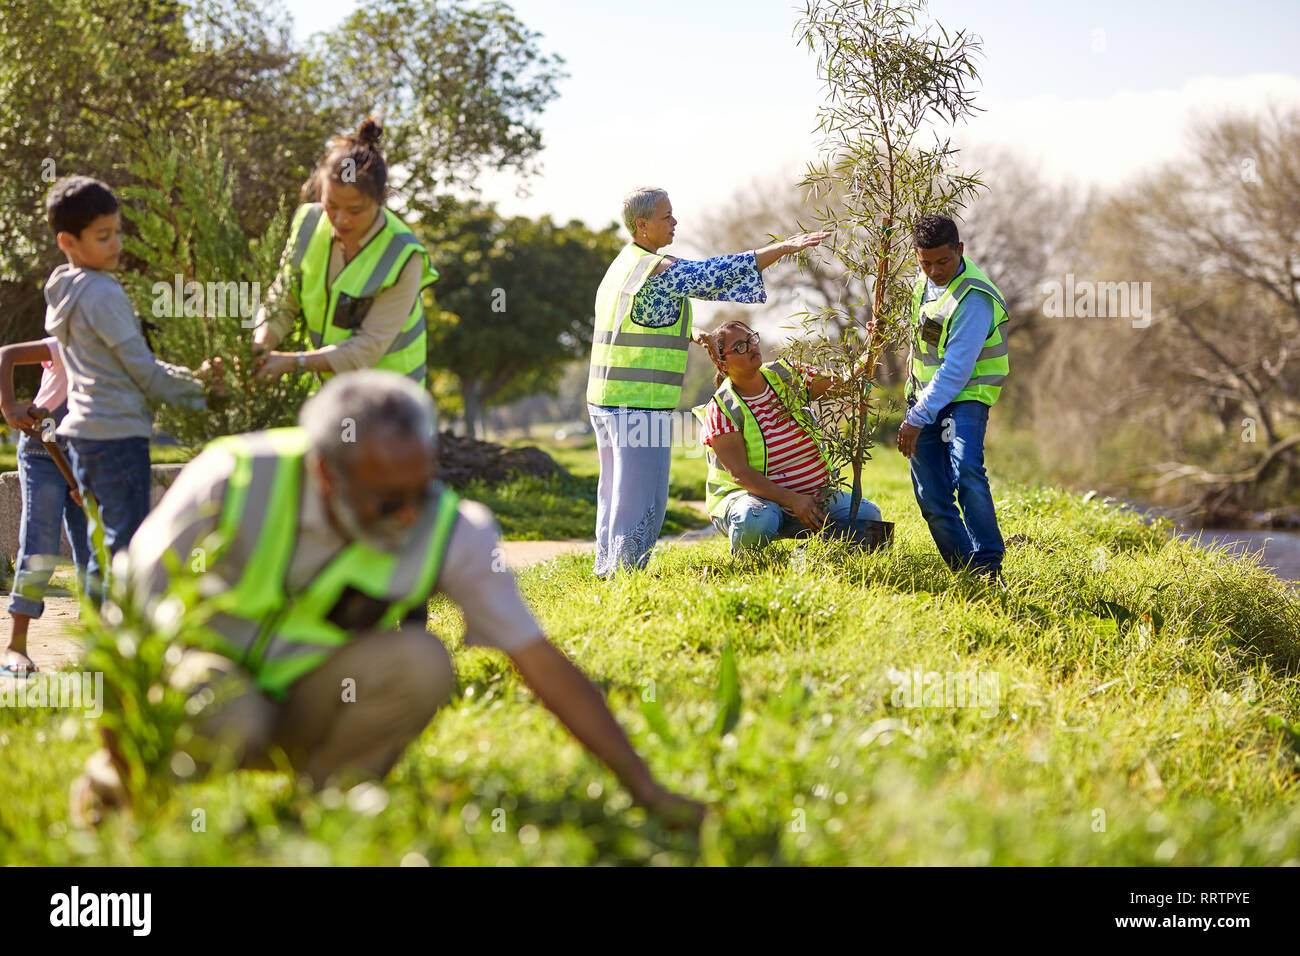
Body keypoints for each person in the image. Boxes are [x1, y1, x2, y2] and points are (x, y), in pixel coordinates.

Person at [70, 371, 704, 828]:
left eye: (419, 490)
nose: (408, 516)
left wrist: (644, 786)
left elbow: (539, 661)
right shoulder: (233, 476)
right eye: (384, 499)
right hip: (210, 689)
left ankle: (321, 815)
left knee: (420, 661)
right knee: (226, 712)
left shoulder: (452, 526)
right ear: (325, 472)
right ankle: (123, 793)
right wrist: (118, 749)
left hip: (312, 700)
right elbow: (125, 619)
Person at [586, 185, 828, 575]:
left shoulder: (624, 265)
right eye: (666, 216)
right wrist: (781, 249)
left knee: (614, 492)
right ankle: (625, 575)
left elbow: (642, 318)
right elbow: (712, 275)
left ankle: (607, 568)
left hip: (605, 398)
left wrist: (694, 333)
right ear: (642, 225)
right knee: (642, 497)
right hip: (638, 404)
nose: (675, 221)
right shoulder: (659, 269)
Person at [42, 176, 209, 605]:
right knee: (131, 548)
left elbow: (129, 364)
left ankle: (101, 646)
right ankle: (126, 649)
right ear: (68, 241)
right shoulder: (103, 293)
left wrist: (191, 374)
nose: (116, 244)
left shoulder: (67, 290)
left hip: (83, 436)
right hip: (117, 436)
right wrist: (204, 392)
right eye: (103, 236)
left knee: (104, 544)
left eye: (118, 232)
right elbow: (144, 373)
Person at [252, 117, 437, 387]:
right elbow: (283, 298)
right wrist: (260, 346)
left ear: (380, 198)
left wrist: (294, 362)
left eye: (355, 210)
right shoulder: (308, 223)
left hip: (391, 398)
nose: (340, 220)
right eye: (331, 205)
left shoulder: (404, 255)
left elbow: (366, 348)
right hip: (329, 389)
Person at [881, 213, 1009, 580]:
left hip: (965, 395)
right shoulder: (921, 282)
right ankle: (965, 571)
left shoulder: (975, 298)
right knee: (932, 497)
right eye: (925, 263)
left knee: (966, 467)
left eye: (943, 261)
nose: (934, 271)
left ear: (960, 250)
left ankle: (988, 564)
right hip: (923, 396)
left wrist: (916, 418)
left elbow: (955, 371)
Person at [693, 321, 883, 552]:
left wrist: (874, 345)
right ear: (721, 361)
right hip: (755, 503)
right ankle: (749, 564)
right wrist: (793, 500)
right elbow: (740, 474)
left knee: (868, 514)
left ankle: (812, 554)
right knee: (755, 520)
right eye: (740, 347)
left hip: (813, 499)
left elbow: (845, 385)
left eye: (752, 339)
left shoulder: (786, 375)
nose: (752, 347)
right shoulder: (722, 407)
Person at [0, 338, 89, 676]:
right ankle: (15, 645)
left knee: (92, 543)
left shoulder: (114, 347)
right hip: (43, 450)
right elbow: (6, 354)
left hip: (86, 454)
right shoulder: (64, 341)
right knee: (41, 542)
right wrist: (9, 406)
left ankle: (94, 631)